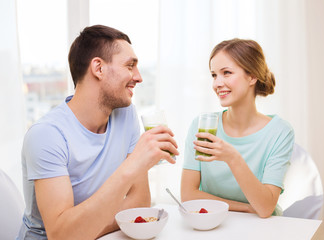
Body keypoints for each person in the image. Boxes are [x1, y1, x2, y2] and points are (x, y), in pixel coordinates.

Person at [17, 25, 179, 239]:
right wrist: (134, 164)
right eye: (130, 66)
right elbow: (62, 235)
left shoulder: (126, 114)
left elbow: (139, 204)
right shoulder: (47, 135)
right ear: (98, 68)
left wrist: (84, 228)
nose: (138, 77)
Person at [181, 38, 294, 218]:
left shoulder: (280, 132)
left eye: (226, 73)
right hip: (214, 224)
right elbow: (188, 196)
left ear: (252, 76)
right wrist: (247, 208)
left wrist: (233, 158)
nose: (217, 83)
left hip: (263, 228)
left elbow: (265, 208)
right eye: (214, 75)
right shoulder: (202, 126)